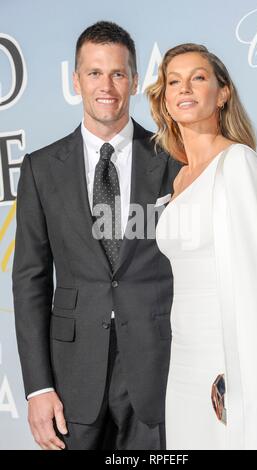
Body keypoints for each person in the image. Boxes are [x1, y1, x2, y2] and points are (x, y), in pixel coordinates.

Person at [12, 21, 181, 450]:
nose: (106, 86)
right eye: (94, 73)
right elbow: (29, 281)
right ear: (76, 79)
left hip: (159, 372)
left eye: (118, 73)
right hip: (71, 379)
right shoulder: (40, 167)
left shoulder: (173, 161)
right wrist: (36, 388)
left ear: (135, 81)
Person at [147, 43, 257, 450]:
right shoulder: (178, 180)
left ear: (222, 92)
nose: (185, 88)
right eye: (173, 81)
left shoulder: (238, 164)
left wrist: (244, 379)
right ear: (164, 98)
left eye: (198, 77)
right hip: (183, 364)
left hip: (225, 365)